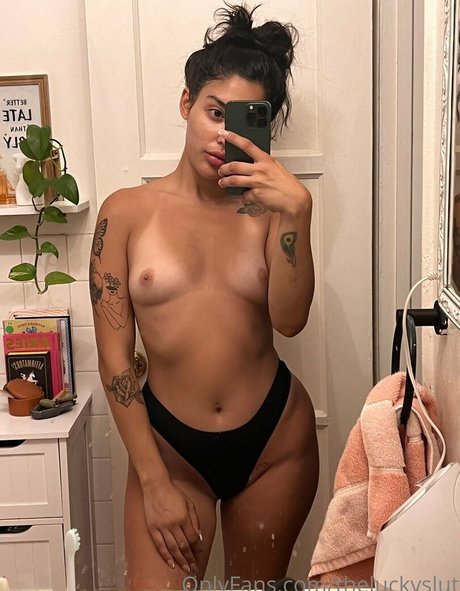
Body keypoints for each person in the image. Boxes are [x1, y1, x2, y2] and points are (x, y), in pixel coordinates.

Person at [90, 3, 319, 589]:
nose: (224, 136)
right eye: (215, 112)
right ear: (186, 103)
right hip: (170, 454)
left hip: (274, 446)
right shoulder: (125, 213)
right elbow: (115, 359)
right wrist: (152, 482)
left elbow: (290, 320)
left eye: (243, 121)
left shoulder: (271, 211)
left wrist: (298, 212)